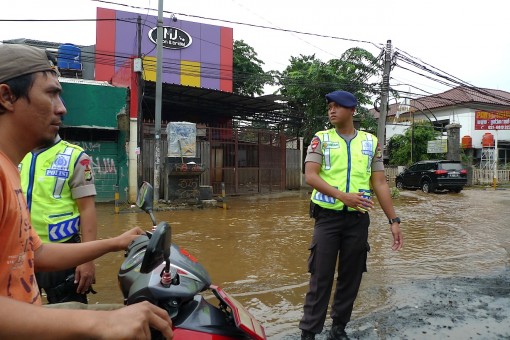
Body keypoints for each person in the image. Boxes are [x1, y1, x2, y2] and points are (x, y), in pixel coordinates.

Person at [0, 43, 173, 339]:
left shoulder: (13, 167)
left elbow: (35, 253)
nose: (62, 108)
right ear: (7, 96)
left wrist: (114, 243)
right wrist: (101, 324)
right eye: (52, 93)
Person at [299, 90, 403, 340]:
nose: (331, 111)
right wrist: (341, 196)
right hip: (327, 218)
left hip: (358, 220)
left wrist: (393, 220)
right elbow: (310, 176)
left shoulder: (370, 142)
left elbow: (379, 183)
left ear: (353, 110)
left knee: (351, 275)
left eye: (338, 106)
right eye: (329, 107)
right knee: (320, 275)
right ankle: (309, 332)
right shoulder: (321, 139)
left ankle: (338, 328)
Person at [20, 133, 98, 304]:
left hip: (63, 251)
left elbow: (87, 209)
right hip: (21, 252)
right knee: (23, 319)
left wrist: (87, 260)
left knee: (70, 318)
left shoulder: (75, 157)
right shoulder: (17, 153)